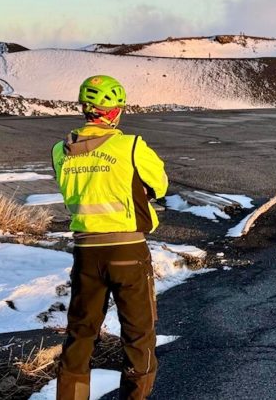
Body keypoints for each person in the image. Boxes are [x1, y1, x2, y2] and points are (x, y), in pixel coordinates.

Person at [52, 75, 168, 400]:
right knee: (138, 335)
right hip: (128, 251)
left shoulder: (60, 152)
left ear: (86, 109)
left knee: (80, 335)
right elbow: (160, 185)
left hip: (86, 252)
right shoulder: (130, 146)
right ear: (113, 111)